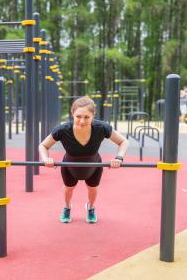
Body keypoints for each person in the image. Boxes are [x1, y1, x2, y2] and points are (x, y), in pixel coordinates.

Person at [39, 96, 129, 224]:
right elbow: (43, 145)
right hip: (70, 165)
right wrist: (45, 159)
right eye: (78, 116)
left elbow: (123, 142)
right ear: (72, 114)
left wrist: (119, 158)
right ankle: (67, 207)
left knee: (92, 188)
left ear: (93, 115)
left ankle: (91, 208)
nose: (82, 121)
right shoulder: (63, 130)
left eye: (87, 117)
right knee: (68, 188)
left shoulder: (101, 128)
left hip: (94, 165)